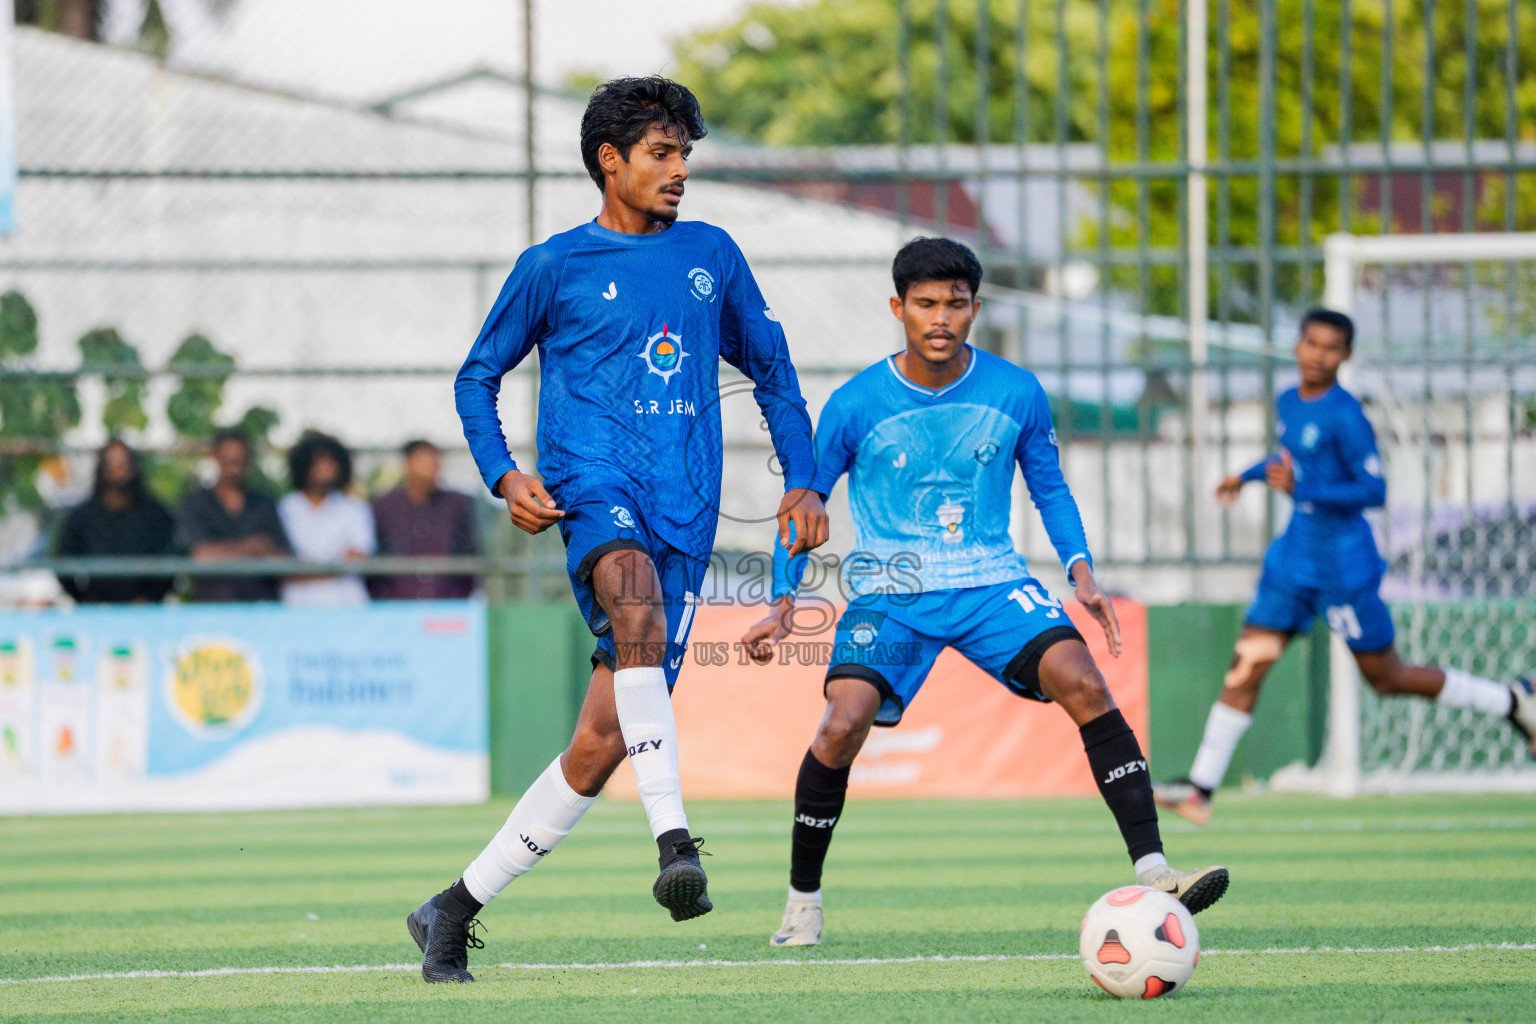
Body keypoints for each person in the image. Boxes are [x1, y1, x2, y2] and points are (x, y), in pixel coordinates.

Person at [411, 76, 826, 984]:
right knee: (631, 610)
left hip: (687, 509)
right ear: (612, 160)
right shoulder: (552, 266)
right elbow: (476, 378)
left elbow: (776, 375)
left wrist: (802, 479)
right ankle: (676, 843)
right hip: (591, 488)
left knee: (599, 743)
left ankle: (451, 909)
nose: (680, 171)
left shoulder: (712, 254)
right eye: (662, 153)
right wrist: (505, 474)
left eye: (686, 155)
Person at [739, 237, 1229, 948]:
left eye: (956, 304)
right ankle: (802, 902)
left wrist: (1080, 570)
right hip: (890, 589)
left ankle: (1155, 870)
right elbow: (805, 504)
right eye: (926, 304)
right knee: (841, 727)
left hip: (990, 581)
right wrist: (783, 600)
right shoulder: (853, 403)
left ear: (976, 308)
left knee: (1084, 681)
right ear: (898, 308)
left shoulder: (1015, 390)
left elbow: (1050, 486)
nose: (941, 317)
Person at [1153, 309, 1536, 825]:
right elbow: (1289, 459)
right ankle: (1200, 787)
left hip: (1343, 570)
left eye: (1330, 347)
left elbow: (1372, 489)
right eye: (1311, 342)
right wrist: (1244, 476)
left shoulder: (1347, 415)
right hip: (1292, 564)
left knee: (1387, 677)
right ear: (1297, 346)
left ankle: (1512, 701)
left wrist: (1302, 489)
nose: (1317, 354)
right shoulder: (1289, 400)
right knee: (1247, 665)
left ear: (1346, 356)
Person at [54, 439, 175, 604]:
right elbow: (63, 562)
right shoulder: (83, 517)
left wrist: (148, 598)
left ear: (133, 468)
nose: (116, 473)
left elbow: (171, 561)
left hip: (144, 612)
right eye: (110, 465)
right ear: (101, 469)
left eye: (122, 465)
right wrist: (84, 599)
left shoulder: (155, 515)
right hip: (97, 610)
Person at [179, 429, 290, 602]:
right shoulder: (197, 502)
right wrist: (253, 548)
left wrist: (225, 552)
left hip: (262, 608)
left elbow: (283, 558)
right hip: (214, 608)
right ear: (215, 457)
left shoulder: (264, 503)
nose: (235, 465)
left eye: (240, 459)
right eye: (229, 460)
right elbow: (201, 556)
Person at [368, 440, 478, 600]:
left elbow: (470, 550)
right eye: (423, 460)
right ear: (407, 463)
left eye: (434, 461)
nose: (430, 467)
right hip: (396, 603)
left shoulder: (457, 504)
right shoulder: (383, 506)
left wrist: (461, 593)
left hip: (447, 603)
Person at [277, 431, 375, 606]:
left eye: (332, 461)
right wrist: (334, 566)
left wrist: (303, 571)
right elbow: (278, 562)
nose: (327, 467)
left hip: (346, 605)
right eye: (319, 461)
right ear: (304, 464)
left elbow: (356, 558)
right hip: (296, 606)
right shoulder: (284, 509)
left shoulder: (354, 509)